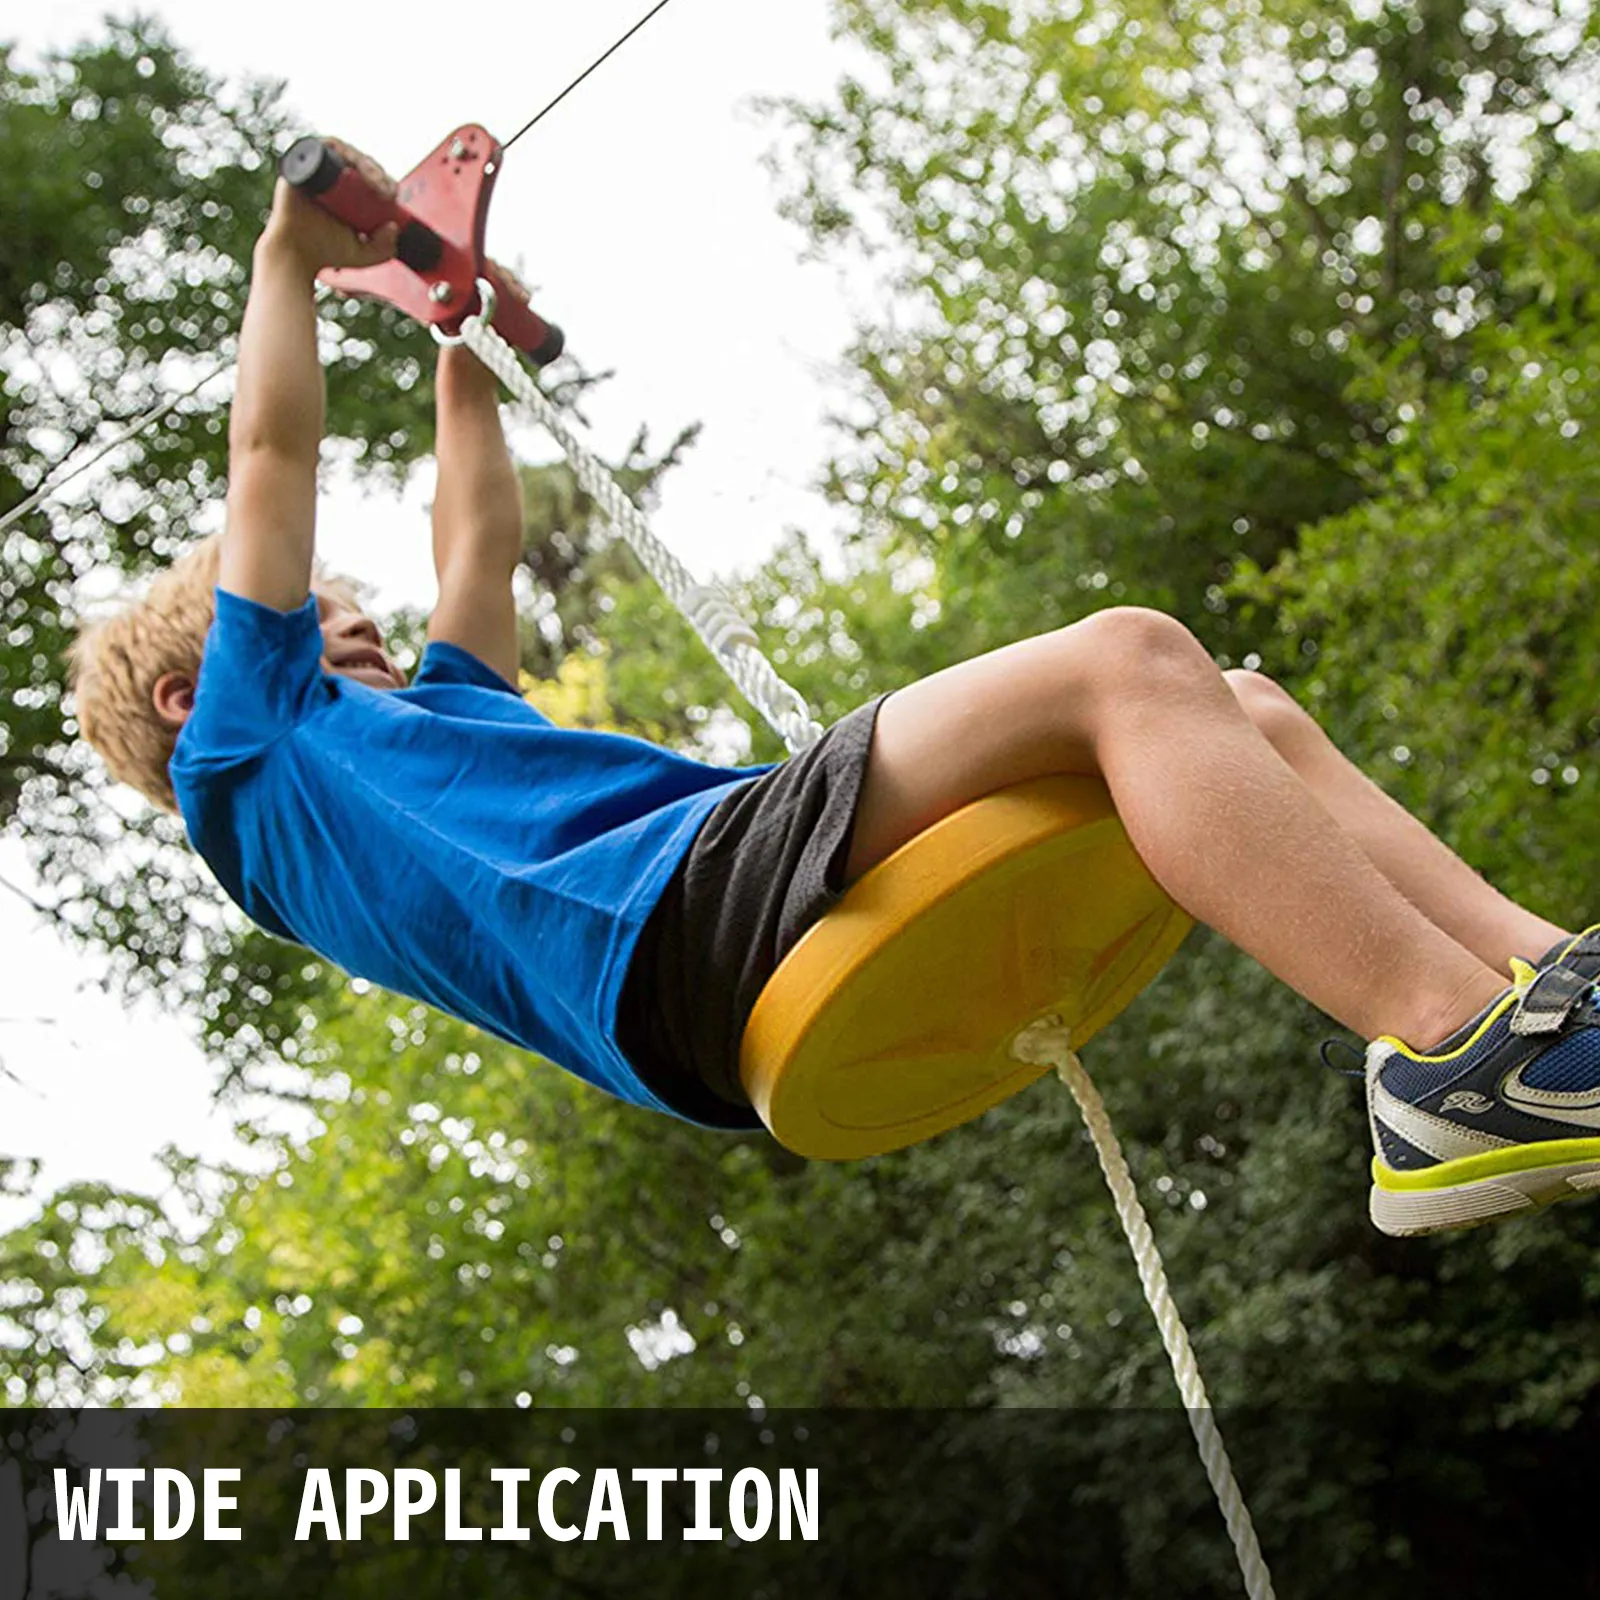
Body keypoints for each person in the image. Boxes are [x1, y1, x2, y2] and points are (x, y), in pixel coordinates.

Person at [69, 147, 1600, 1240]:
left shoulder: (438, 723)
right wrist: (287, 255)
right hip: (667, 932)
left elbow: (477, 537)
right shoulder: (256, 749)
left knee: (1236, 709)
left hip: (700, 932)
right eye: (296, 602)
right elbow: (271, 462)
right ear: (194, 676)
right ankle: (1448, 1055)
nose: (343, 602)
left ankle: (1549, 992)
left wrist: (458, 333)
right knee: (1128, 660)